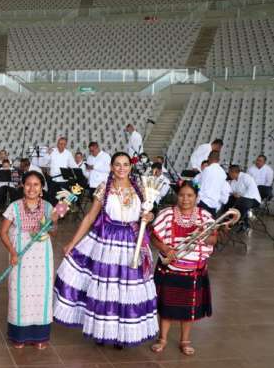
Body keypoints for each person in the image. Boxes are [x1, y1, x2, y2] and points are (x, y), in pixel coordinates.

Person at [54, 152, 158, 348]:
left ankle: (122, 334)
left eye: (125, 164)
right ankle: (102, 331)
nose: (121, 168)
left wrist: (148, 217)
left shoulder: (141, 190)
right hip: (107, 243)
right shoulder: (104, 188)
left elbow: (147, 213)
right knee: (107, 287)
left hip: (131, 243)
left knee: (126, 288)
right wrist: (72, 243)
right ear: (111, 167)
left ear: (130, 167)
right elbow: (90, 218)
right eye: (117, 164)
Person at [150, 181, 217, 356]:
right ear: (176, 196)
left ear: (196, 197)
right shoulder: (166, 214)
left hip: (194, 269)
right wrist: (165, 249)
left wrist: (205, 234)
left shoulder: (205, 217)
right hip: (170, 267)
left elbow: (213, 240)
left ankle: (185, 340)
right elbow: (155, 237)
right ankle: (162, 338)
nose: (185, 199)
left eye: (190, 195)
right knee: (166, 305)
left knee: (189, 307)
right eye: (181, 195)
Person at [0, 171, 60, 349]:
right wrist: (12, 252)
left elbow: (54, 232)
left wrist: (53, 222)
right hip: (20, 256)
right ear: (22, 186)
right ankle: (19, 336)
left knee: (42, 293)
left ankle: (40, 336)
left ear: (42, 188)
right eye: (28, 184)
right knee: (20, 292)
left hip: (42, 257)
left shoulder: (49, 207)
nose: (32, 188)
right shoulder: (14, 207)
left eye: (36, 185)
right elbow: (2, 232)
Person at [223, 165, 261, 230]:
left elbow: (251, 190)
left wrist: (240, 197)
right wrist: (233, 194)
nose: (229, 175)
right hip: (240, 199)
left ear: (234, 173)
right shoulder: (233, 181)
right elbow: (232, 191)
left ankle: (244, 223)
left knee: (242, 202)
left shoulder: (246, 177)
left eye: (229, 173)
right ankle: (229, 219)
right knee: (228, 199)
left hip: (253, 199)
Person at [197, 151, 230, 217]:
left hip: (203, 201)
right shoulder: (223, 173)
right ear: (218, 160)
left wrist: (197, 188)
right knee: (209, 225)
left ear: (208, 158)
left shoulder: (207, 170)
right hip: (214, 204)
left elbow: (197, 184)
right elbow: (224, 190)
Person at [45, 137, 76, 204]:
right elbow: (45, 163)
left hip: (63, 181)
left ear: (65, 145)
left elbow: (74, 166)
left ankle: (60, 214)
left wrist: (77, 172)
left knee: (63, 200)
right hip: (52, 180)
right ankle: (51, 213)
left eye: (63, 144)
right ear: (57, 144)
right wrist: (47, 154)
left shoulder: (68, 153)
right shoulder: (52, 151)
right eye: (60, 143)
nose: (61, 145)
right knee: (51, 199)